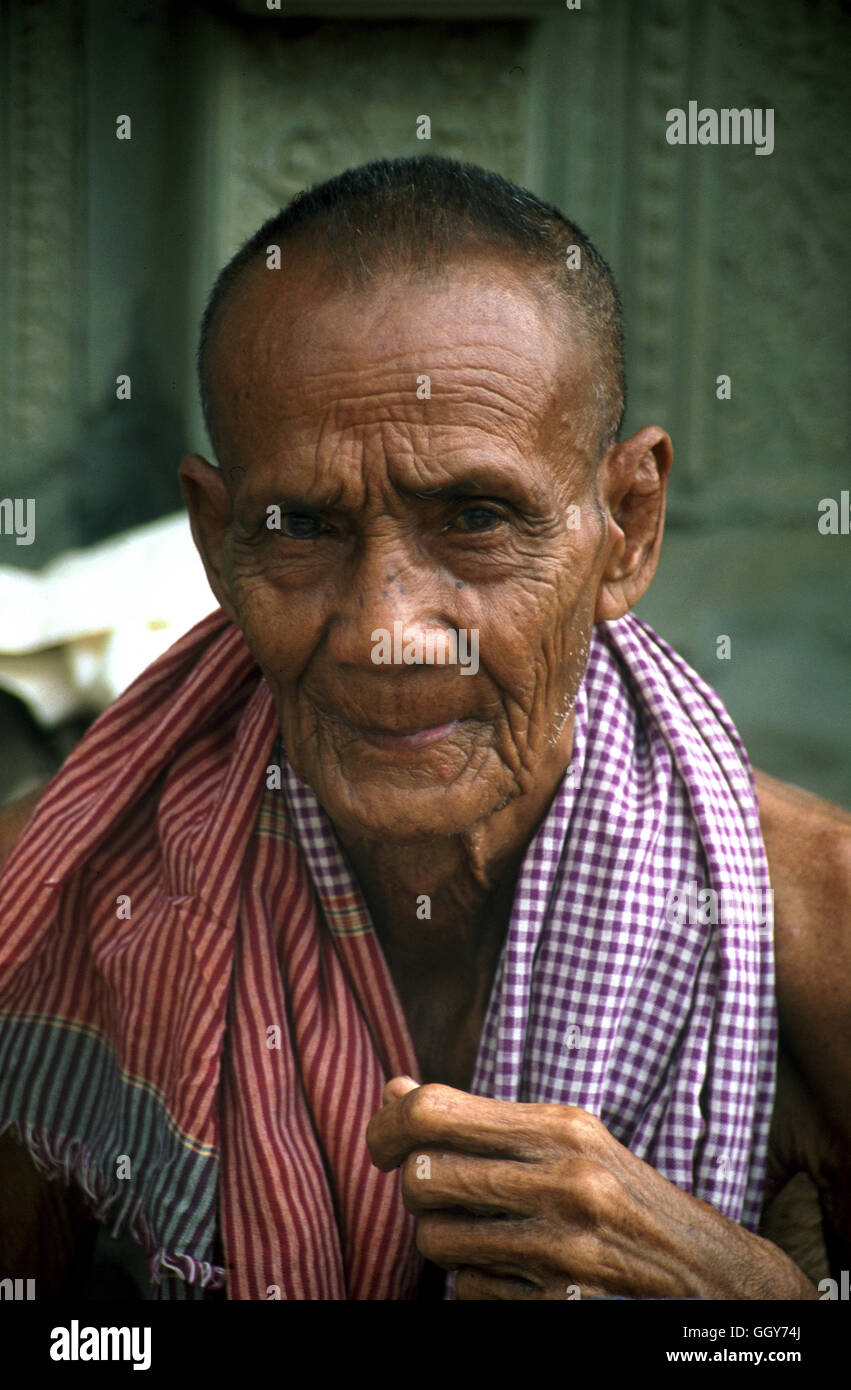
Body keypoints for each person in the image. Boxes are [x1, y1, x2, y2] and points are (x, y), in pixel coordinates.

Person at [0, 156, 848, 1301]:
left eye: (476, 518)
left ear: (626, 529)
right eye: (302, 526)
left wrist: (744, 1307)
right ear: (214, 545)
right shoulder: (56, 897)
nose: (386, 631)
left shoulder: (817, 930)